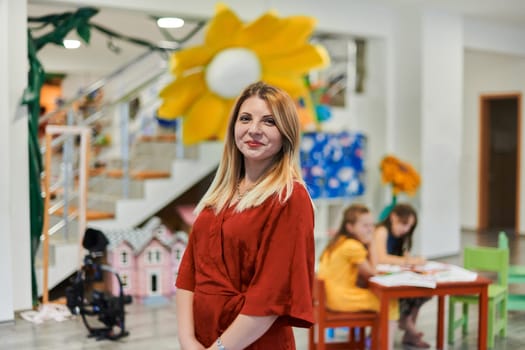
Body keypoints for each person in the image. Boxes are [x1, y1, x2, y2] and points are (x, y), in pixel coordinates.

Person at [175, 81, 315, 350]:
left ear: (286, 133)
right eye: (245, 118)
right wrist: (187, 340)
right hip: (200, 340)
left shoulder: (289, 197)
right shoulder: (219, 195)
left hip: (253, 343)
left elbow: (271, 295)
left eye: (269, 122)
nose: (254, 129)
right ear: (233, 128)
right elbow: (188, 272)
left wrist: (218, 349)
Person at [317, 204, 398, 350]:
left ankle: (376, 342)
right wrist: (373, 243)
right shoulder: (353, 246)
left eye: (371, 225)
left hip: (327, 297)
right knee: (390, 303)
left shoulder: (338, 242)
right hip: (341, 299)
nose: (370, 229)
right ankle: (385, 346)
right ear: (350, 227)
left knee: (380, 299)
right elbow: (372, 272)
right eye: (365, 225)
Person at [371, 203, 430, 348]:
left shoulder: (402, 236)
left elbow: (401, 255)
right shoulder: (382, 231)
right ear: (393, 217)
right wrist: (409, 261)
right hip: (379, 278)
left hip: (394, 276)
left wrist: (410, 261)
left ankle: (407, 326)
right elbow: (381, 258)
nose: (406, 229)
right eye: (404, 224)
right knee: (407, 294)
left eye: (410, 226)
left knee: (423, 291)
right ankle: (408, 327)